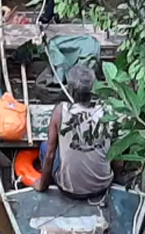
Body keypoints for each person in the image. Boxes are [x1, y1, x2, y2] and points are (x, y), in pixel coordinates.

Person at [33, 63, 114, 199]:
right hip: (103, 186)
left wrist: (42, 185)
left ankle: (51, 182)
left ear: (70, 90)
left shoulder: (60, 112)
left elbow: (50, 155)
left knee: (45, 147)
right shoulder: (108, 110)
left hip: (69, 190)